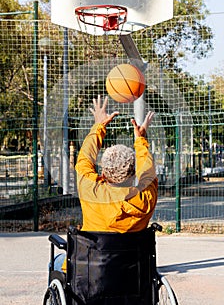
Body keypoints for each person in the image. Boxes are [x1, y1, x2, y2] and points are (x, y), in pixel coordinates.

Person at [57, 95, 158, 272]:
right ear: (134, 174)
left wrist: (99, 125)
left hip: (90, 274)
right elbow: (147, 170)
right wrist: (140, 140)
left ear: (102, 174)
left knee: (57, 261)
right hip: (132, 274)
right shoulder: (146, 198)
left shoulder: (91, 190)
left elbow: (84, 159)